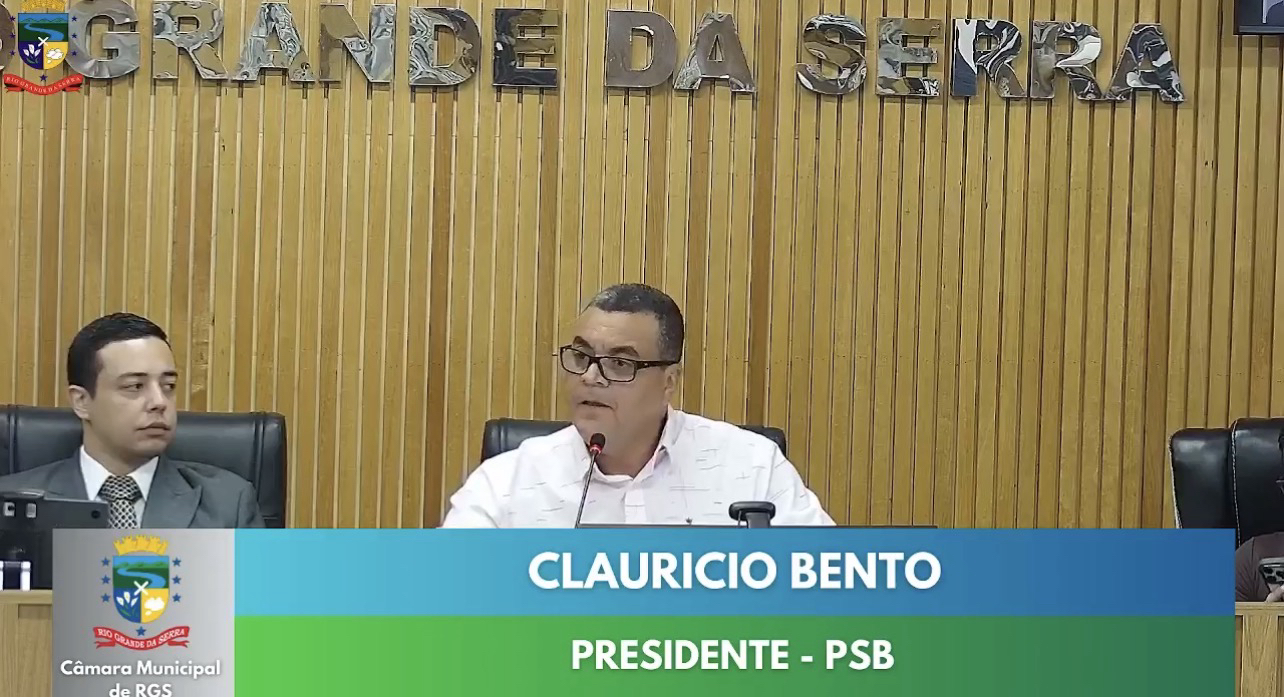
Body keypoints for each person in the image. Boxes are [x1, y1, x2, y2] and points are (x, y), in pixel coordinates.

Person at [441, 283, 835, 528]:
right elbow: (448, 600)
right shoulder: (506, 485)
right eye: (581, 356)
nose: (590, 377)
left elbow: (825, 591)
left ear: (668, 382)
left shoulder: (751, 468)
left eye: (619, 363)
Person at [0, 313, 264, 528]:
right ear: (81, 401)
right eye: (135, 386)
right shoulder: (10, 504)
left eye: (168, 386)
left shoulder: (230, 504)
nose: (159, 402)